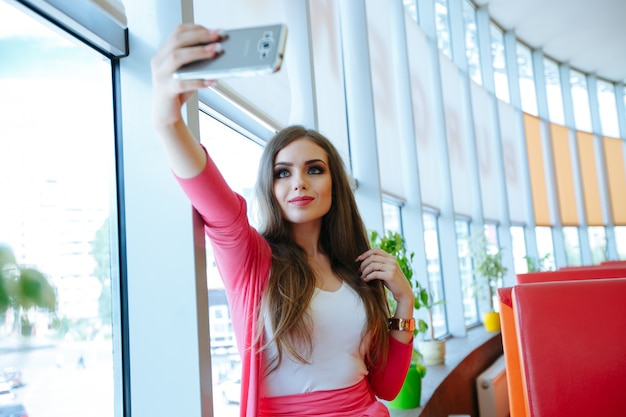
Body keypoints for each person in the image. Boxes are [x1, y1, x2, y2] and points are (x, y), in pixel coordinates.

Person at [151, 24, 416, 417]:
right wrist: (167, 118)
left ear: (333, 183)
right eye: (282, 172)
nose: (299, 183)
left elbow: (388, 387)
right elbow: (214, 198)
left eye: (314, 169)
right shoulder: (253, 259)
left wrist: (404, 300)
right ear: (269, 186)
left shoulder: (356, 271)